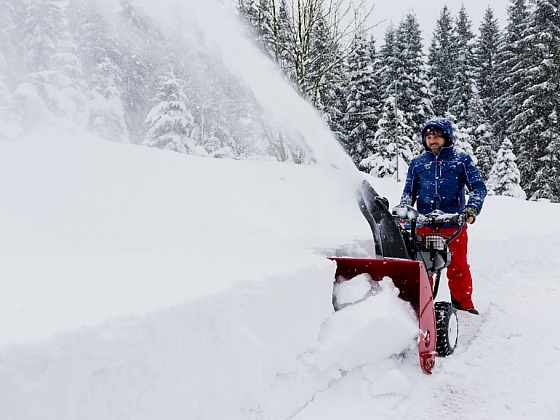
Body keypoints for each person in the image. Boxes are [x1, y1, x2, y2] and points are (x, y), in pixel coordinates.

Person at [398, 117, 487, 315]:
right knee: (424, 267)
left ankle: (463, 304)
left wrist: (471, 209)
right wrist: (403, 210)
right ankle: (423, 308)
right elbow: (408, 193)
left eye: (436, 136)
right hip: (425, 225)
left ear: (446, 137)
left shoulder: (461, 160)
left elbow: (479, 188)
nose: (432, 141)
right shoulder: (418, 163)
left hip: (453, 224)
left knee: (458, 267)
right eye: (428, 137)